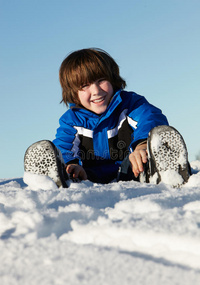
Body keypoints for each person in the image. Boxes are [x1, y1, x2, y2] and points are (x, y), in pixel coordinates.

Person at [24, 48, 190, 188]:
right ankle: (53, 178)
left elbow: (150, 118)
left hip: (131, 170)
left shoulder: (130, 104)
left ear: (112, 79)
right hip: (89, 178)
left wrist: (141, 146)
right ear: (73, 92)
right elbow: (64, 146)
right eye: (85, 86)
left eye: (101, 80)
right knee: (66, 167)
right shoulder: (71, 120)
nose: (96, 91)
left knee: (151, 146)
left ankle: (166, 172)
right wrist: (71, 165)